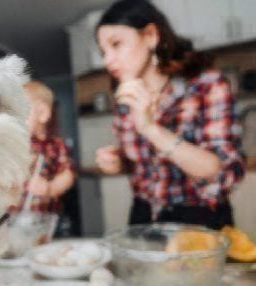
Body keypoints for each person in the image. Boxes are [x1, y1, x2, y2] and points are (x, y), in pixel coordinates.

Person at [94, 0, 245, 230]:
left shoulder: (206, 86)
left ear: (151, 36)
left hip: (199, 219)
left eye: (116, 44)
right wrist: (119, 162)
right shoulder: (126, 95)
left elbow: (218, 172)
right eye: (103, 51)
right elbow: (144, 163)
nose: (107, 60)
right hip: (143, 216)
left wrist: (150, 128)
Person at [16, 80, 75, 213]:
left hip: (43, 215)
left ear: (42, 113)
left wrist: (50, 188)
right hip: (12, 216)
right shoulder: (13, 144)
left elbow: (67, 174)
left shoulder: (56, 145)